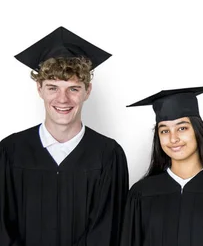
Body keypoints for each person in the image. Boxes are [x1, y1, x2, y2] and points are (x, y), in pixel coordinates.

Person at [0, 26, 129, 245]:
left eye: (73, 89)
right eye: (53, 88)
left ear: (87, 91)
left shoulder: (108, 156)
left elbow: (107, 231)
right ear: (39, 88)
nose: (63, 99)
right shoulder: (10, 152)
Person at [121, 85, 203, 246]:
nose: (173, 138)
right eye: (164, 131)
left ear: (198, 131)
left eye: (182, 128)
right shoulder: (141, 193)